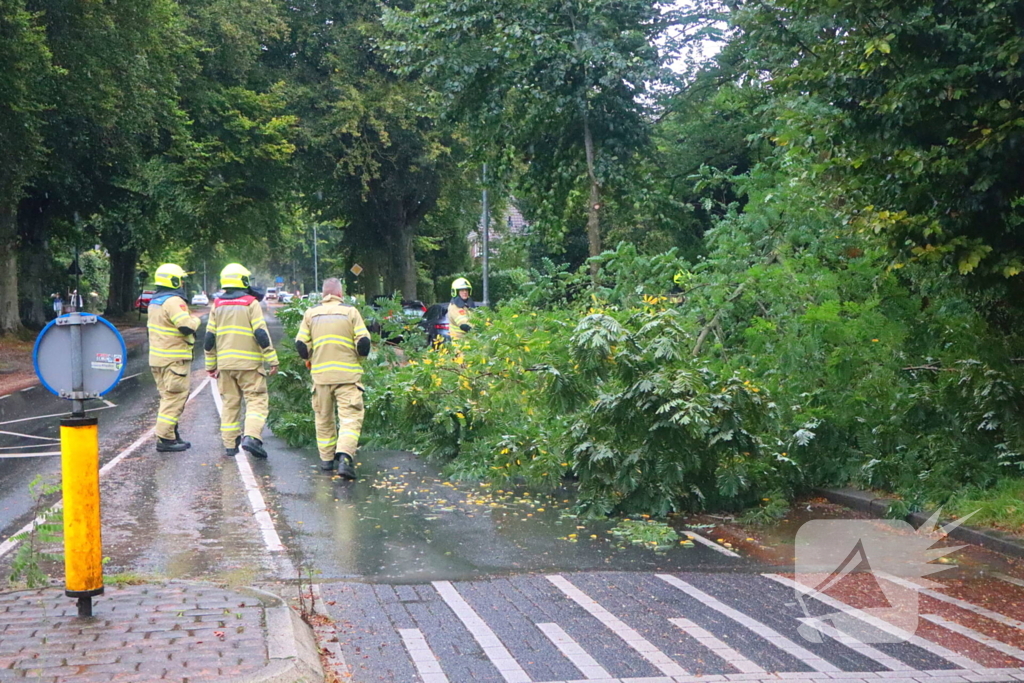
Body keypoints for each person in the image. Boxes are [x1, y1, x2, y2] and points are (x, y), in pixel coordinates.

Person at [294, 277, 370, 479]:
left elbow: (301, 345)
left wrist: (310, 358)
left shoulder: (311, 314)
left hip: (321, 377)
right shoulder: (351, 312)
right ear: (340, 293)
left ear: (323, 293)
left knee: (323, 419)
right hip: (348, 377)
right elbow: (363, 343)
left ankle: (327, 461)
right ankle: (345, 458)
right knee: (350, 419)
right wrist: (358, 359)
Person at [205, 263, 279, 458]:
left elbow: (209, 338)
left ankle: (230, 446)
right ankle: (251, 438)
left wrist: (210, 365)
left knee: (230, 403)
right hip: (250, 366)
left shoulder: (217, 305)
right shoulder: (250, 303)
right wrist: (272, 359)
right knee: (256, 401)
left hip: (226, 366)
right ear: (243, 280)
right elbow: (261, 333)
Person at [148, 263, 200, 452]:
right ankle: (165, 438)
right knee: (175, 398)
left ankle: (172, 434)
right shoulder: (173, 301)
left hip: (158, 359)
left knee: (167, 397)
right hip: (174, 360)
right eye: (181, 280)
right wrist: (196, 320)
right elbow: (185, 326)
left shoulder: (155, 302)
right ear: (174, 280)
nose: (182, 283)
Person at [447, 277, 475, 343]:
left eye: (466, 290)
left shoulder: (468, 305)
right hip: (459, 343)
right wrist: (478, 330)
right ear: (456, 292)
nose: (465, 292)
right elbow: (464, 325)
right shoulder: (454, 306)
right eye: (462, 290)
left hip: (470, 341)